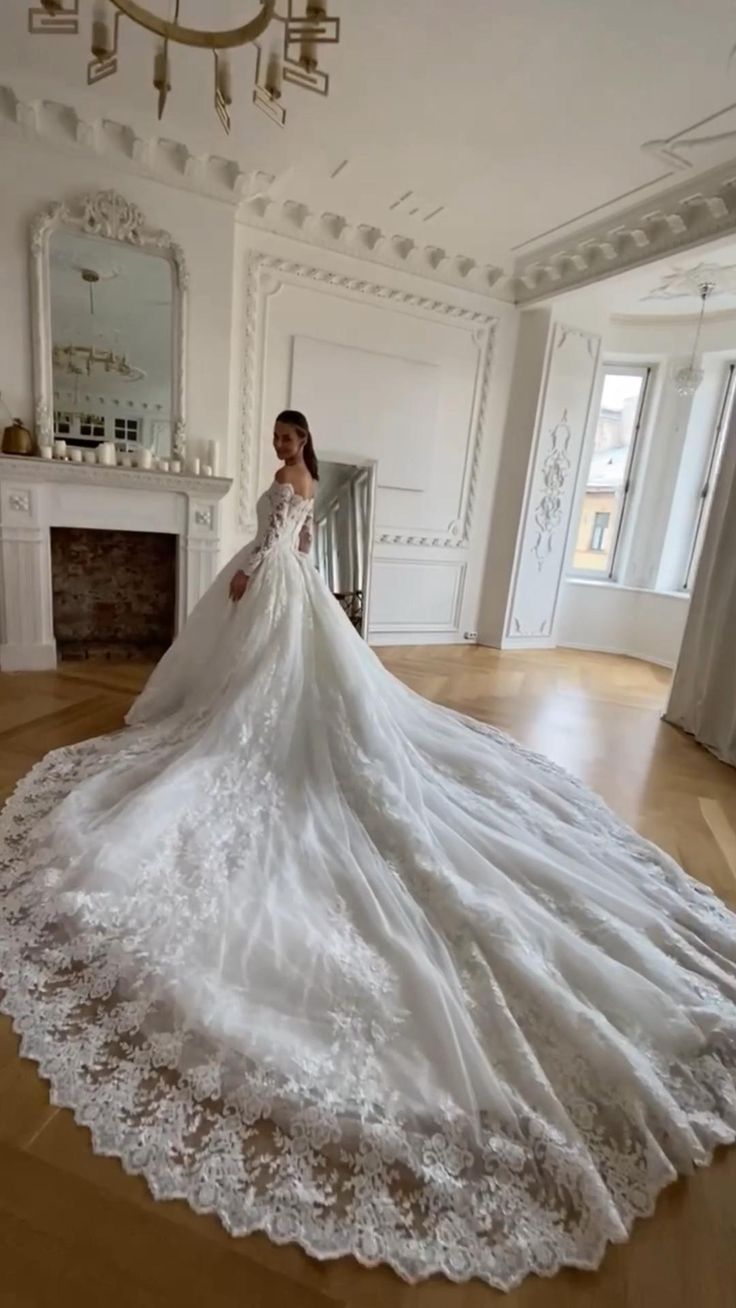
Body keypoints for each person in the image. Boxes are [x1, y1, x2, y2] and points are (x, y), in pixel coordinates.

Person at [1, 408, 735, 1291]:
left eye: (284, 438)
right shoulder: (310, 485)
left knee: (259, 706)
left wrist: (245, 584)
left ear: (296, 443)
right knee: (282, 695)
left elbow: (276, 547)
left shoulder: (288, 490)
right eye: (274, 439)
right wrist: (276, 570)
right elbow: (296, 543)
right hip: (300, 594)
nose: (278, 450)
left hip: (278, 590)